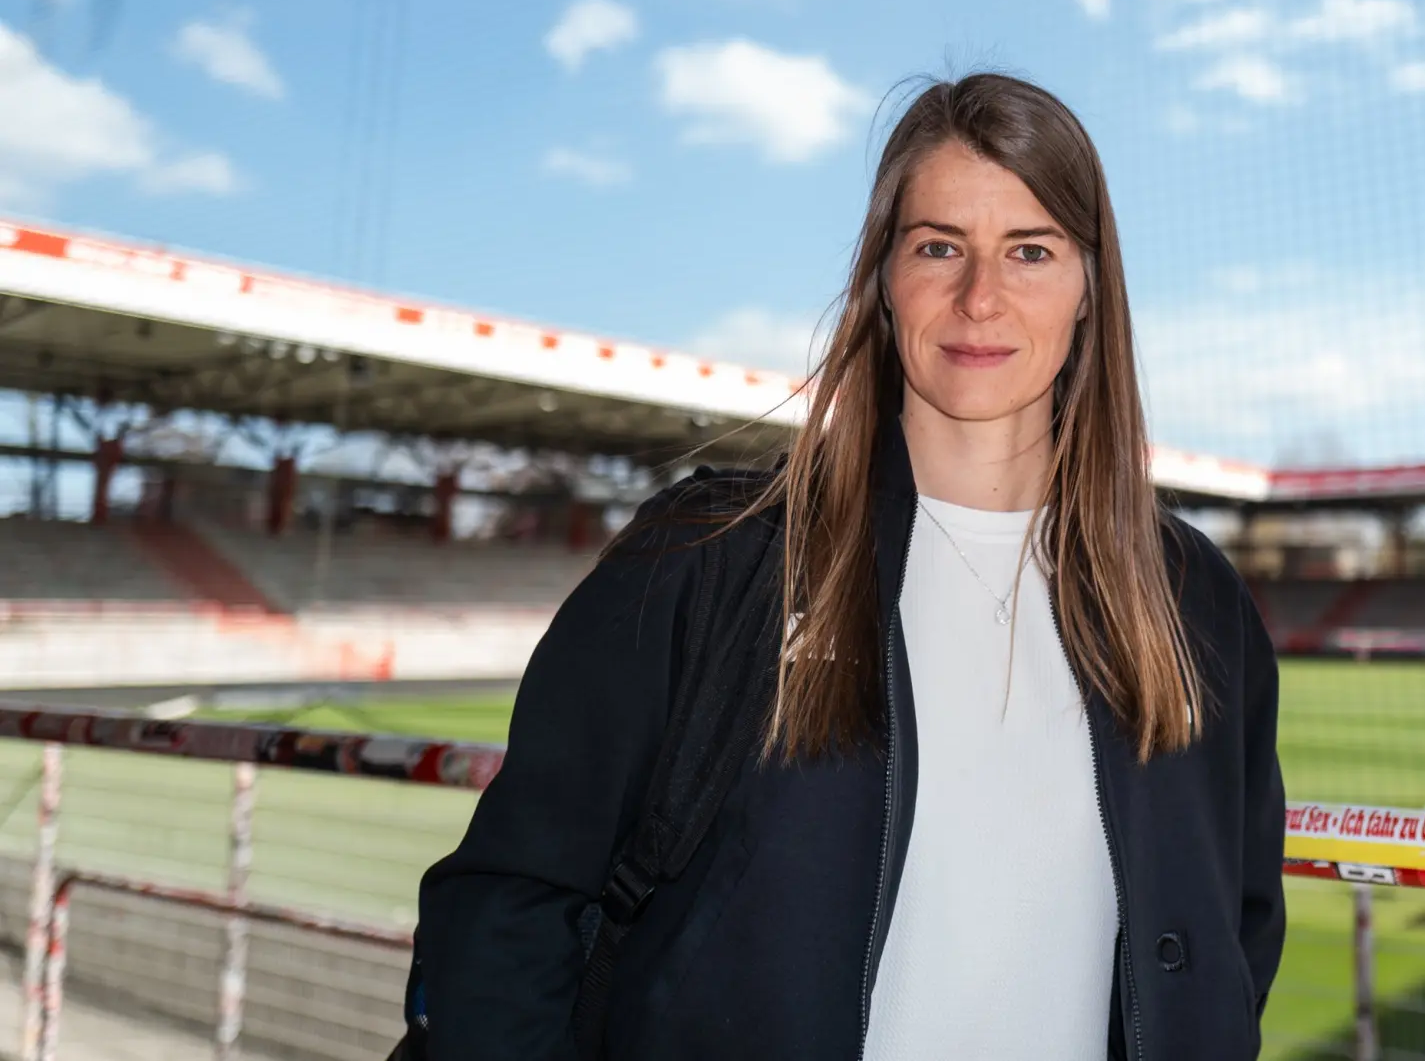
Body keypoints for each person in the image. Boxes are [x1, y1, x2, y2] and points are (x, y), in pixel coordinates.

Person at [414, 71, 1286, 1060]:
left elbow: (1236, 936)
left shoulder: (1197, 604)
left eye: (1031, 251)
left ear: (1089, 285)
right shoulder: (712, 558)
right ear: (883, 278)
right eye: (938, 247)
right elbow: (511, 905)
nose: (980, 297)